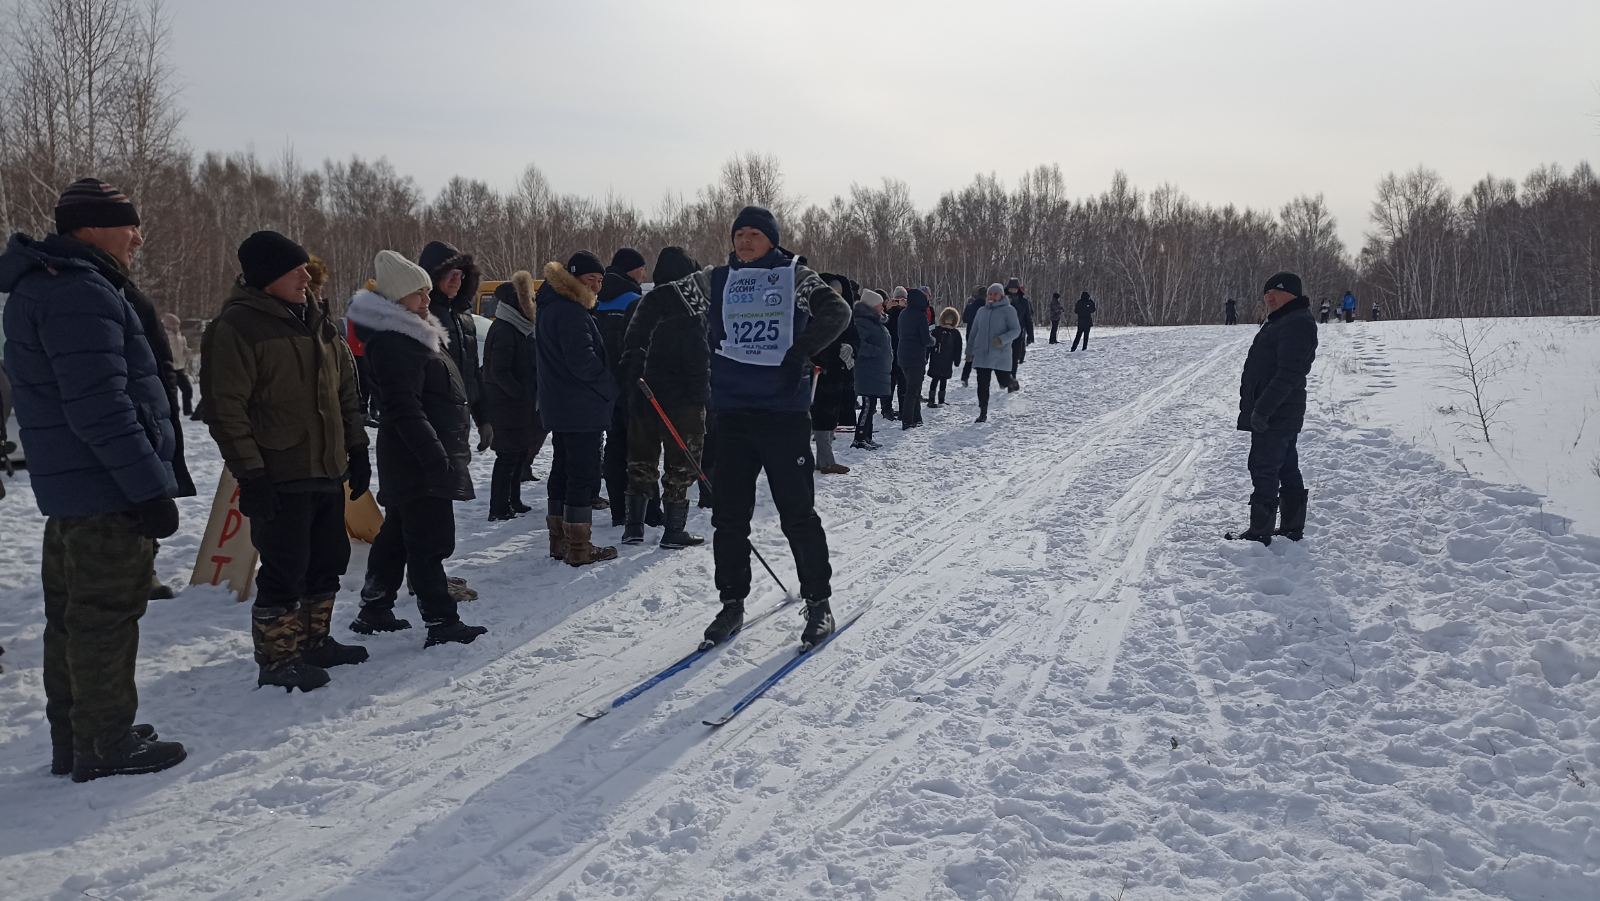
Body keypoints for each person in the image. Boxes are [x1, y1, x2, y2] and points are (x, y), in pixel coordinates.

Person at [0, 177, 186, 780]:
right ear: (89, 228)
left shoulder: (51, 285)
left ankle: (79, 737)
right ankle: (103, 745)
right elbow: (101, 407)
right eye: (128, 223)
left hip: (78, 488)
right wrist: (147, 487)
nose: (137, 235)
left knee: (74, 618)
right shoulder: (80, 292)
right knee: (105, 616)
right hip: (105, 488)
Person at [202, 230, 372, 689]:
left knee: (328, 558)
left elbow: (345, 396)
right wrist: (251, 475)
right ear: (266, 277)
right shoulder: (237, 327)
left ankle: (316, 642)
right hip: (279, 473)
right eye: (294, 270)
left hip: (327, 467)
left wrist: (357, 449)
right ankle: (279, 660)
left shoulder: (319, 320)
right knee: (285, 567)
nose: (306, 275)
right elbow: (226, 408)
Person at [698, 206, 851, 650]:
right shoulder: (718, 280)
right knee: (728, 518)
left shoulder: (792, 277)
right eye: (738, 234)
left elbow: (836, 312)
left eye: (754, 234)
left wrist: (801, 352)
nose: (744, 241)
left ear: (771, 239)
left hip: (782, 416)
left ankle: (819, 602)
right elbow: (674, 310)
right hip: (732, 415)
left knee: (797, 514)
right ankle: (731, 601)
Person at [345, 251, 486, 645]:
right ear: (395, 300)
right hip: (418, 458)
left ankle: (374, 607)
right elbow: (403, 408)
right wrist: (434, 456)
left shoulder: (416, 334)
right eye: (417, 294)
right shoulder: (396, 342)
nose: (426, 301)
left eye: (426, 292)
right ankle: (442, 622)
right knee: (430, 541)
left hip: (419, 455)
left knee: (397, 535)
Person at [619, 246, 709, 548]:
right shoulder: (689, 309)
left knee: (640, 461)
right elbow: (698, 356)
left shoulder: (641, 304)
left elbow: (629, 351)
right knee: (681, 464)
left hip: (644, 396)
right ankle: (673, 530)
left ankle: (634, 527)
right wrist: (701, 397)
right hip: (681, 401)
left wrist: (632, 386)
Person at [537, 251, 621, 566]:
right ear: (573, 278)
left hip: (560, 404)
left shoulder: (551, 306)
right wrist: (610, 386)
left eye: (600, 281)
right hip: (579, 405)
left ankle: (559, 541)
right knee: (581, 473)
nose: (596, 287)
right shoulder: (571, 312)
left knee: (562, 469)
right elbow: (582, 361)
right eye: (591, 279)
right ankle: (579, 547)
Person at [1229, 271, 1318, 546]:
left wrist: (1263, 410)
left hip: (1276, 412)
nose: (1269, 297)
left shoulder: (1296, 323)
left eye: (1276, 291)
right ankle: (1292, 526)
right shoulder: (1283, 321)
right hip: (1279, 411)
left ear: (1292, 293)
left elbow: (1289, 373)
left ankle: (1260, 530)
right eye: (1267, 292)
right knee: (1286, 466)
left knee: (1264, 466)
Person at [482, 272, 544, 521]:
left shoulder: (520, 328)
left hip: (518, 404)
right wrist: (520, 394)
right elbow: (499, 371)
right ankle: (498, 506)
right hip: (506, 405)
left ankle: (514, 499)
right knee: (507, 455)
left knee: (519, 452)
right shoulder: (505, 329)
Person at [595, 247, 648, 525]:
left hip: (603, 383)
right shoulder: (632, 299)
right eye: (641, 268)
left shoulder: (597, 298)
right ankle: (643, 512)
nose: (644, 274)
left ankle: (617, 509)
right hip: (630, 382)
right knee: (638, 448)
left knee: (613, 445)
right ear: (631, 269)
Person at [418, 241, 485, 447]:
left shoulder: (463, 315)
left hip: (459, 420)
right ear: (433, 276)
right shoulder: (420, 315)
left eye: (461, 274)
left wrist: (483, 418)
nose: (457, 280)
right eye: (450, 274)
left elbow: (472, 371)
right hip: (430, 424)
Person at [811, 274, 860, 473]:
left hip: (839, 374)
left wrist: (851, 348)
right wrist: (832, 352)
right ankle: (824, 462)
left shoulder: (846, 315)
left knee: (830, 418)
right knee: (819, 418)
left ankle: (823, 460)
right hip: (820, 373)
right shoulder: (816, 313)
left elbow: (854, 337)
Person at [966, 283, 1022, 423]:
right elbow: (973, 333)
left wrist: (1002, 339)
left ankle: (1011, 382)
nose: (991, 296)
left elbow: (1016, 330)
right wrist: (969, 351)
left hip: (1000, 353)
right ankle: (982, 412)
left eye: (995, 294)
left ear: (1001, 295)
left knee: (1003, 380)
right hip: (982, 353)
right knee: (982, 384)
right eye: (989, 294)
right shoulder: (981, 311)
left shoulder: (1009, 311)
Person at [851, 289, 892, 450]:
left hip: (875, 370)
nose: (883, 308)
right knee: (867, 405)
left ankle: (867, 436)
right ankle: (859, 438)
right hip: (867, 370)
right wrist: (877, 351)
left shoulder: (875, 321)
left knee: (871, 405)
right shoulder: (863, 322)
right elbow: (859, 344)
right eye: (880, 305)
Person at [895, 288, 936, 429]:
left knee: (913, 387)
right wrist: (933, 340)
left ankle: (916, 418)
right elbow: (925, 339)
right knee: (913, 390)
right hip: (916, 357)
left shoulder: (903, 314)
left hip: (903, 355)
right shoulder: (920, 316)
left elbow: (900, 333)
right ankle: (907, 420)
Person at [926, 306, 964, 406]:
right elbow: (930, 344)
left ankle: (941, 400)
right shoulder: (936, 331)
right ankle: (931, 400)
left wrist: (957, 360)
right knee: (935, 379)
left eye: (951, 318)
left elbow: (958, 348)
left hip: (947, 360)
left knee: (943, 380)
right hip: (936, 359)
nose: (948, 321)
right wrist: (927, 356)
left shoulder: (955, 333)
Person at [162, 313, 194, 417]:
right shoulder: (164, 336)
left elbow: (183, 348)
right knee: (172, 393)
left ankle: (187, 410)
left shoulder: (180, 336)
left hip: (180, 368)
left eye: (178, 324)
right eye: (175, 324)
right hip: (170, 368)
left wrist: (187, 352)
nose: (177, 326)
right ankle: (174, 411)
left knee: (187, 389)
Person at [882, 287, 907, 421]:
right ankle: (887, 409)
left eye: (902, 300)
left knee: (901, 382)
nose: (899, 302)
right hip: (891, 351)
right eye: (897, 299)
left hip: (900, 351)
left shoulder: (907, 313)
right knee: (891, 383)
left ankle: (901, 409)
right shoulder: (889, 314)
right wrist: (888, 309)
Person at [1005, 278, 1034, 388]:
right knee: (1005, 358)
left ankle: (1012, 379)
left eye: (1015, 288)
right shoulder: (1003, 300)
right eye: (1011, 288)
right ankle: (1006, 377)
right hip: (1005, 334)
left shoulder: (1024, 301)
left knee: (1014, 358)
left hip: (1018, 333)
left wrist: (1030, 335)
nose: (1013, 290)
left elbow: (1028, 319)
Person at [959, 285, 984, 386]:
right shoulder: (988, 307)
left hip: (971, 334)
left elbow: (965, 319)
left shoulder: (970, 306)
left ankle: (965, 377)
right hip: (983, 335)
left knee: (970, 357)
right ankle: (982, 379)